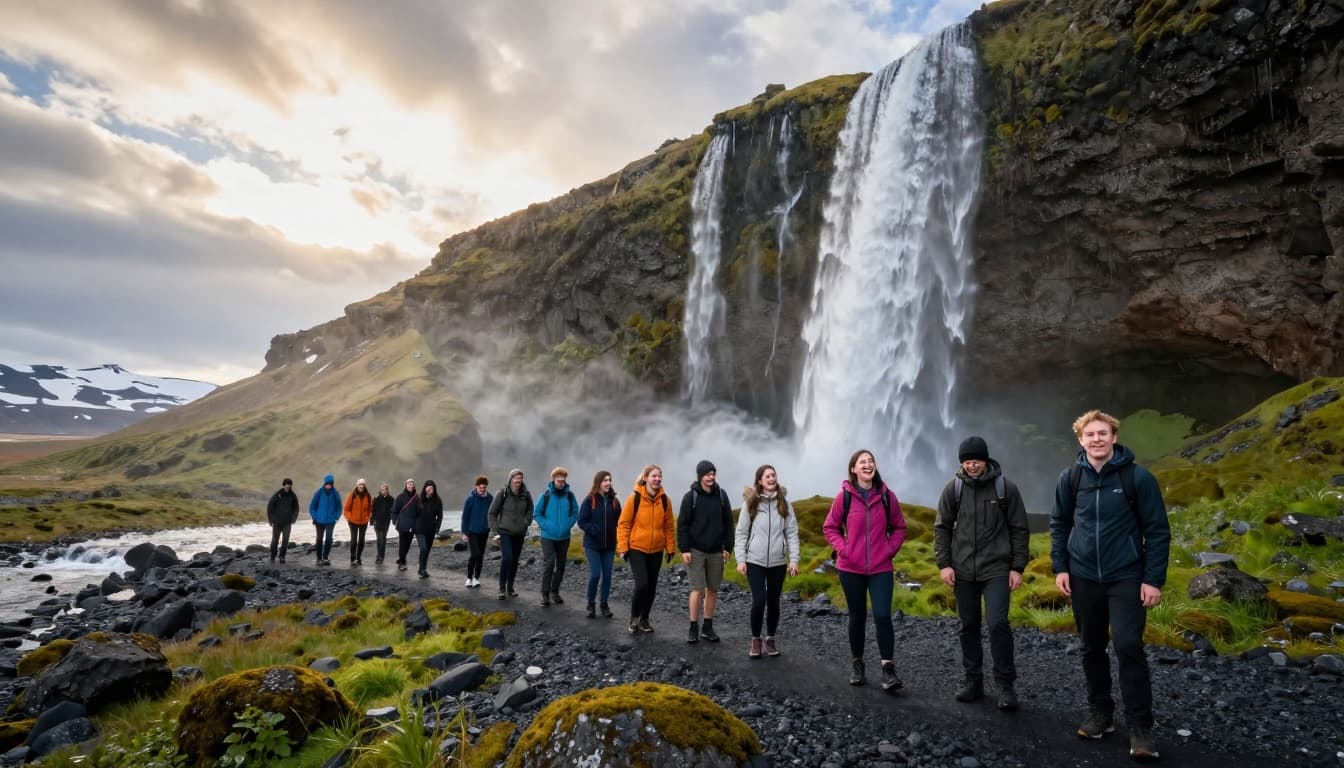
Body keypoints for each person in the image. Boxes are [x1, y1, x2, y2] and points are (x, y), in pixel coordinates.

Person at [1051, 410, 1170, 761]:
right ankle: (1100, 713)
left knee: (1128, 645)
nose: (1097, 439)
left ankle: (1140, 726)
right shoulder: (1071, 478)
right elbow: (1059, 523)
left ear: (1114, 437)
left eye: (1103, 433)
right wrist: (1061, 567)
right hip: (1084, 575)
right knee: (1091, 646)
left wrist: (1152, 579)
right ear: (1080, 440)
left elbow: (1158, 531)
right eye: (1090, 435)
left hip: (1126, 575)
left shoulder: (1138, 478)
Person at [934, 436, 1030, 710]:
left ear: (985, 460)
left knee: (998, 623)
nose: (971, 465)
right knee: (968, 626)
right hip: (962, 570)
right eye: (966, 461)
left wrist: (1017, 567)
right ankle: (973, 681)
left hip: (997, 569)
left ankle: (1005, 685)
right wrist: (944, 564)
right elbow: (942, 528)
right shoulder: (953, 490)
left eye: (975, 460)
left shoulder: (1005, 489)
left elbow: (1019, 529)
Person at [822, 449, 906, 691]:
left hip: (881, 566)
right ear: (853, 469)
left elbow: (900, 527)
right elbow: (830, 527)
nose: (868, 465)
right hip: (851, 568)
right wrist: (844, 550)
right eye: (862, 462)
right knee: (857, 617)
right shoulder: (844, 497)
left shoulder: (887, 496)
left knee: (882, 615)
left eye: (871, 461)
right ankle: (857, 664)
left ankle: (888, 670)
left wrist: (889, 550)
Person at [735, 465, 800, 659]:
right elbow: (741, 533)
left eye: (774, 475)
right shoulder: (751, 504)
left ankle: (770, 639)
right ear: (760, 481)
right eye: (767, 476)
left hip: (778, 562)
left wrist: (794, 559)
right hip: (754, 560)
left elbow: (791, 533)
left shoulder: (785, 504)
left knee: (773, 602)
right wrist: (740, 559)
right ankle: (756, 640)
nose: (772, 478)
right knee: (759, 601)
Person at [678, 460, 734, 643]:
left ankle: (707, 627)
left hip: (716, 550)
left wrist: (728, 547)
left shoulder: (722, 496)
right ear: (700, 476)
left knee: (713, 589)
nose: (711, 477)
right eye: (707, 474)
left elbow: (728, 523)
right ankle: (693, 627)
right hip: (696, 551)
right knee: (697, 589)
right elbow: (682, 525)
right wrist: (684, 549)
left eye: (713, 474)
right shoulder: (690, 497)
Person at [617, 464, 675, 634]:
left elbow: (669, 527)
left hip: (656, 550)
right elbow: (623, 524)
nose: (657, 479)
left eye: (659, 476)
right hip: (636, 548)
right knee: (642, 584)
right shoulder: (634, 498)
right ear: (646, 478)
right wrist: (622, 547)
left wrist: (670, 548)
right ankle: (634, 618)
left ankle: (645, 619)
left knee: (651, 587)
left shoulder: (665, 500)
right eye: (654, 476)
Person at [577, 470, 620, 619]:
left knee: (607, 575)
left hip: (609, 545)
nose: (608, 483)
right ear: (598, 483)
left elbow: (620, 521)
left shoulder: (614, 500)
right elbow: (581, 521)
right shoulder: (590, 500)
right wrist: (593, 530)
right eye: (605, 480)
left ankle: (604, 604)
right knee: (596, 574)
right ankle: (590, 603)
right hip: (592, 545)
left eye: (609, 480)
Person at [534, 467, 579, 607]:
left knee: (561, 565)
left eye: (563, 480)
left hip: (564, 537)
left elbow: (575, 512)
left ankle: (555, 591)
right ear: (553, 479)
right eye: (559, 480)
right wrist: (546, 526)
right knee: (549, 563)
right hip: (548, 536)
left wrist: (568, 524)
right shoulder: (545, 495)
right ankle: (545, 594)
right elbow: (537, 514)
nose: (561, 483)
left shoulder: (570, 496)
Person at [489, 468, 533, 600]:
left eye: (520, 479)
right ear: (511, 479)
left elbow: (530, 509)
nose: (518, 481)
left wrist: (526, 522)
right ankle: (501, 588)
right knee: (507, 558)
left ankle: (510, 586)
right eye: (516, 478)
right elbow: (492, 513)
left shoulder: (526, 494)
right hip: (505, 532)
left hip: (520, 533)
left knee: (514, 560)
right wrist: (495, 529)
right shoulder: (502, 493)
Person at [460, 476, 492, 588]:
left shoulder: (490, 499)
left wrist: (492, 527)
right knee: (474, 554)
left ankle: (476, 578)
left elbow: (493, 514)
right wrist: (464, 532)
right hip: (472, 531)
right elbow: (465, 517)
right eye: (480, 487)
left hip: (484, 531)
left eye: (484, 487)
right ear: (476, 486)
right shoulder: (470, 499)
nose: (482, 489)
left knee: (481, 555)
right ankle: (469, 578)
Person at [308, 474, 342, 566]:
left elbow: (339, 506)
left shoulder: (335, 493)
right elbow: (312, 506)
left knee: (329, 539)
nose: (328, 485)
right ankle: (319, 558)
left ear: (332, 484)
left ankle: (325, 557)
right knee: (319, 539)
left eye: (330, 484)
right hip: (319, 521)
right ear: (324, 483)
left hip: (331, 521)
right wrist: (315, 517)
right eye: (327, 484)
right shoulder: (318, 493)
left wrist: (336, 517)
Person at [414, 480, 444, 578]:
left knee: (427, 550)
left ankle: (422, 568)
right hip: (419, 529)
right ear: (425, 488)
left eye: (432, 487)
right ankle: (422, 570)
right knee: (423, 548)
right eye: (428, 487)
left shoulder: (437, 500)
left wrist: (437, 527)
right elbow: (412, 513)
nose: (430, 488)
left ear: (434, 489)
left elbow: (440, 516)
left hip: (431, 529)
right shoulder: (418, 498)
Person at [266, 478, 299, 563]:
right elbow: (270, 507)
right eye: (286, 485)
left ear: (291, 486)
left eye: (289, 485)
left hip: (287, 522)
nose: (288, 487)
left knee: (285, 540)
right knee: (275, 540)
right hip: (277, 522)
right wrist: (270, 519)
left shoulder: (293, 496)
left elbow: (296, 508)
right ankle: (273, 555)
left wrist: (293, 518)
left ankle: (282, 556)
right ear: (283, 485)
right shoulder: (277, 495)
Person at [343, 478, 372, 567]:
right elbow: (346, 508)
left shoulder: (368, 495)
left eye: (362, 484)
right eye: (359, 484)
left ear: (364, 485)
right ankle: (353, 559)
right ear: (357, 485)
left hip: (364, 521)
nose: (361, 486)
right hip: (353, 521)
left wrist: (368, 516)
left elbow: (371, 508)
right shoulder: (352, 495)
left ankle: (358, 558)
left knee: (361, 541)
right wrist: (349, 517)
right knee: (354, 541)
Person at [394, 479, 418, 571]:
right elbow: (394, 510)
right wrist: (395, 521)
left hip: (412, 525)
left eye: (411, 484)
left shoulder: (417, 497)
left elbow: (419, 511)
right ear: (406, 485)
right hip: (402, 524)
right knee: (402, 544)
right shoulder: (400, 497)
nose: (409, 485)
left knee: (407, 545)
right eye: (408, 484)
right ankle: (402, 563)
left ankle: (401, 559)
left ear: (413, 486)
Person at [371, 483, 395, 565]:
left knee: (383, 538)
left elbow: (393, 510)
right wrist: (372, 521)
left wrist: (392, 518)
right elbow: (373, 510)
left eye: (385, 489)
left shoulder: (391, 499)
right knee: (379, 539)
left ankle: (381, 556)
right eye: (382, 489)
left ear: (387, 490)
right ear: (380, 491)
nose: (384, 491)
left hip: (386, 522)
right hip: (377, 521)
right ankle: (379, 555)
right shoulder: (376, 499)